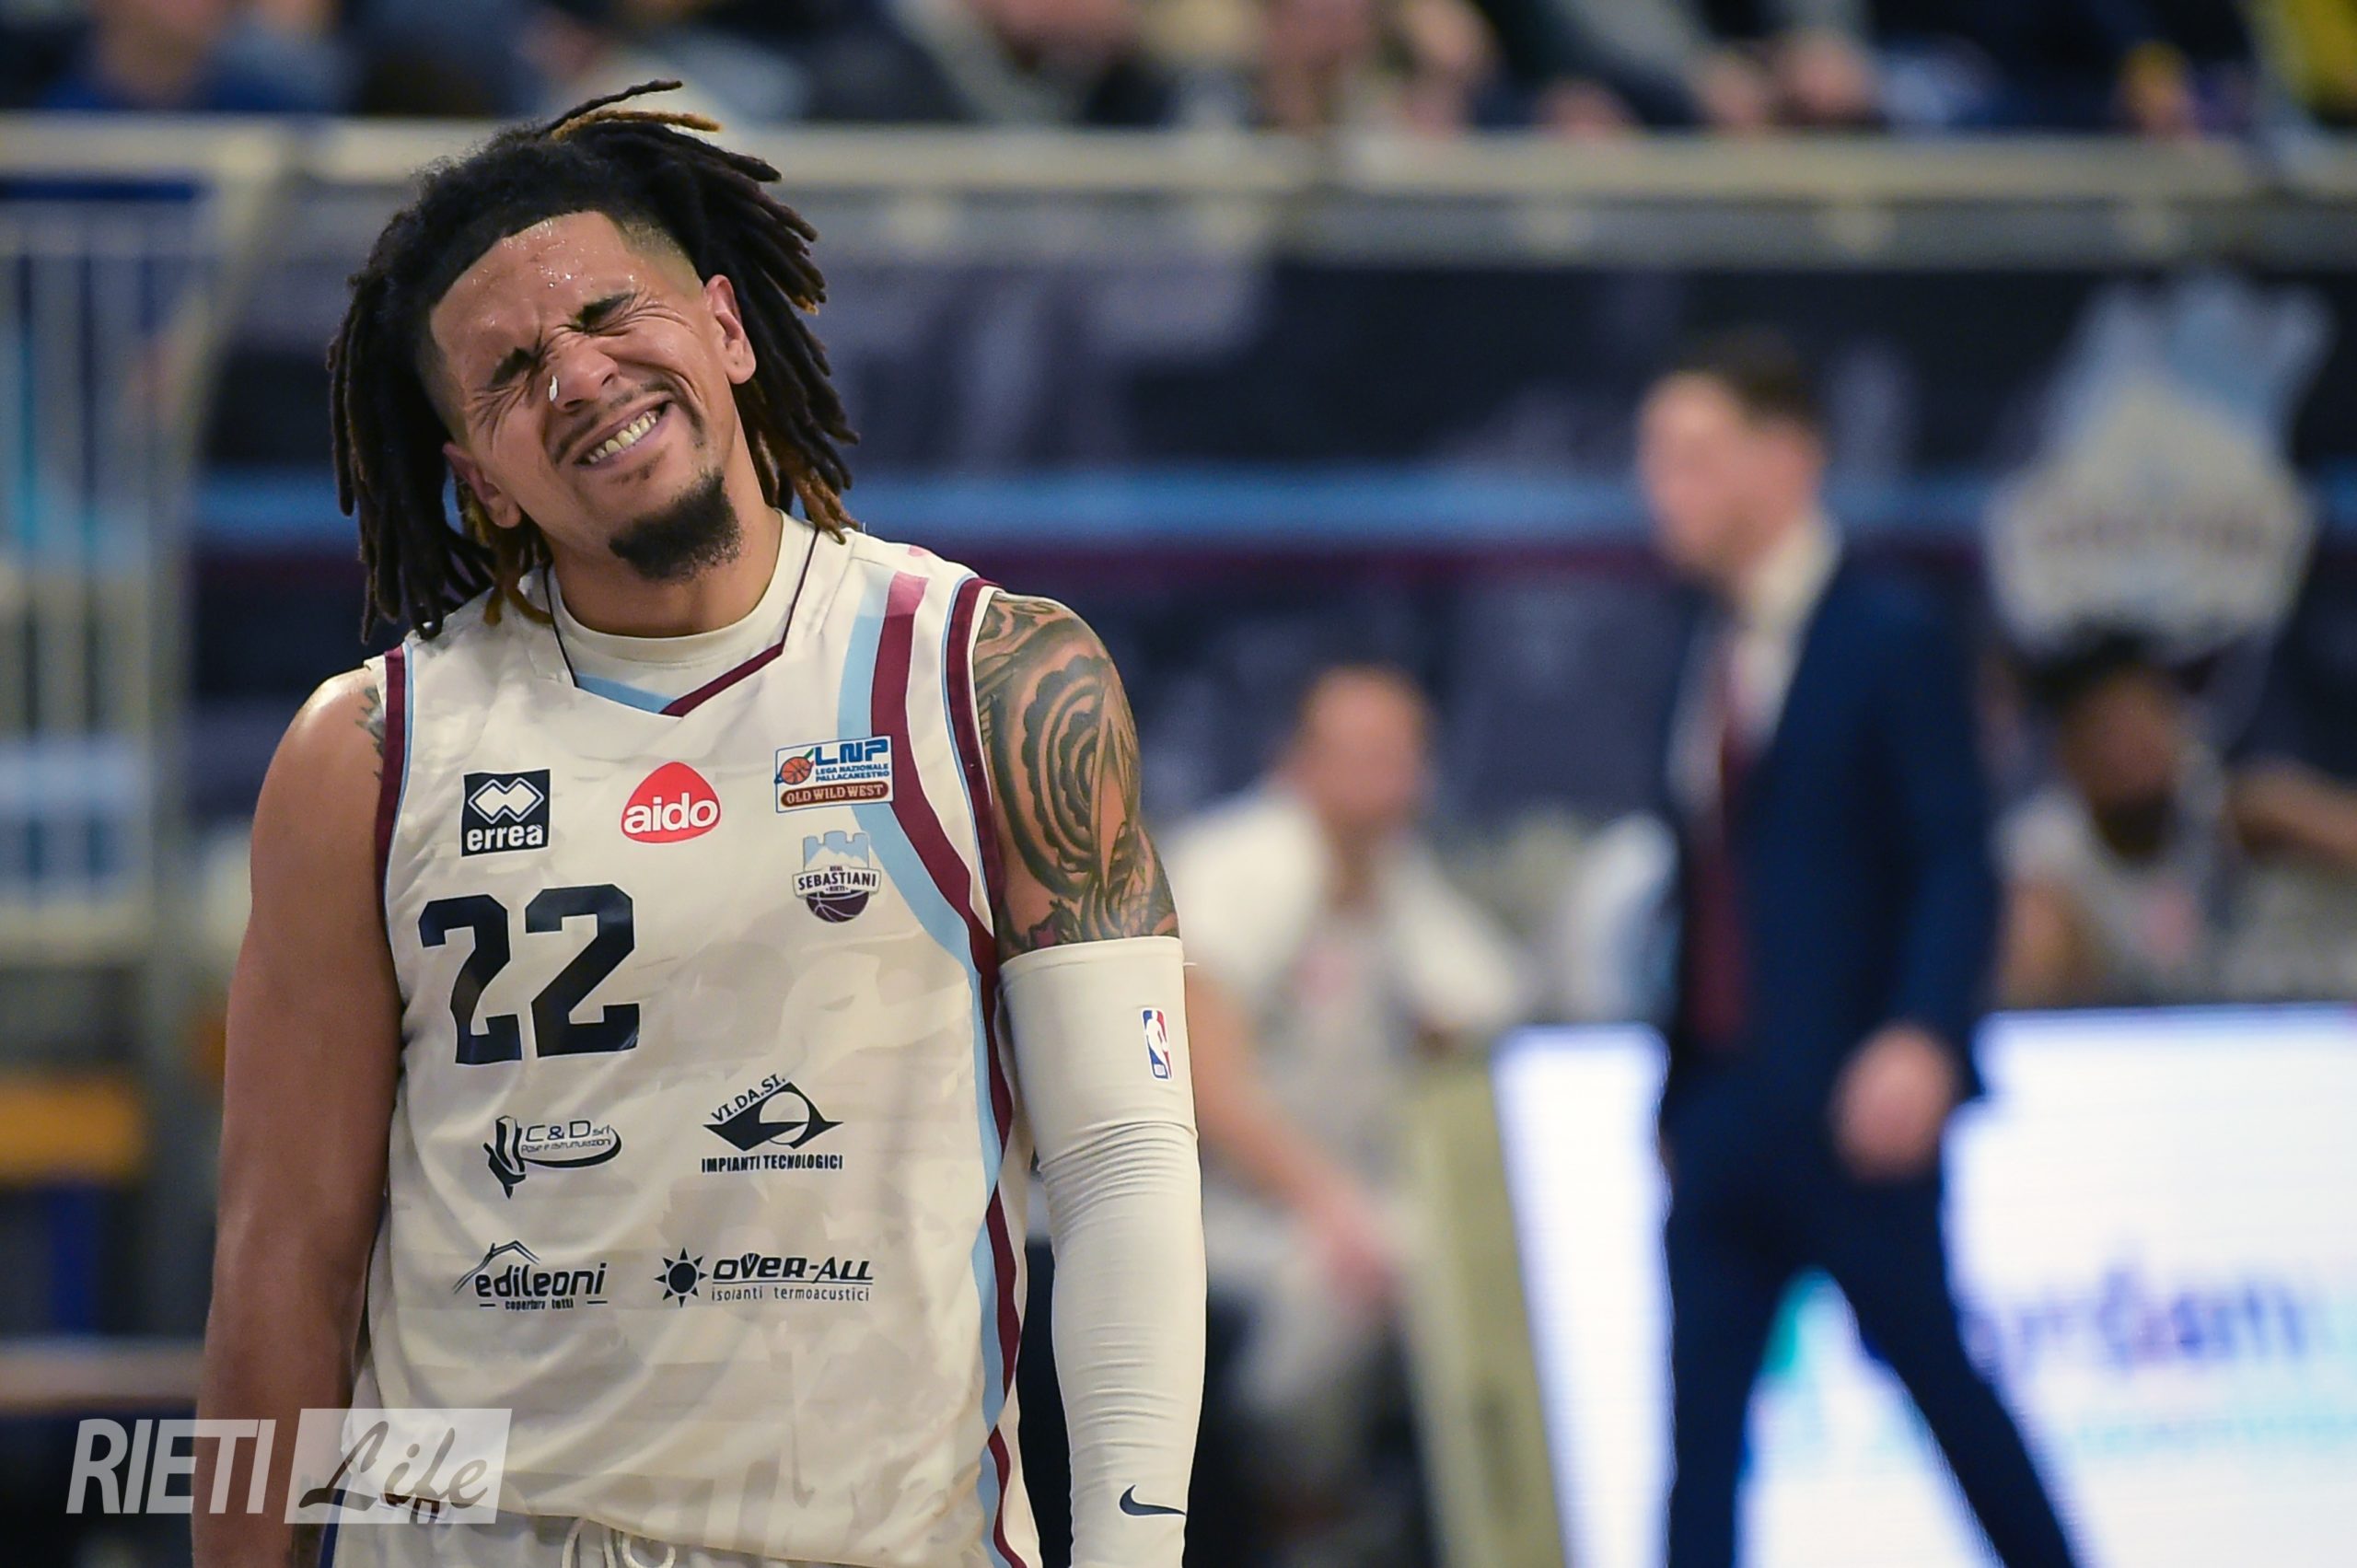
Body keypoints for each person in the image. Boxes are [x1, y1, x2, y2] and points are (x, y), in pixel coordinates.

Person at [194, 84, 1204, 1568]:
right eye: (512, 370)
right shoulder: (366, 751)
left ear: (726, 327)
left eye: (612, 311)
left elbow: (1120, 1165)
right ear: (479, 481)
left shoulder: (990, 673)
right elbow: (283, 1259)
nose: (579, 373)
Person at [1635, 331, 2078, 1568]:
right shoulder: (1702, 647)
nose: (1661, 486)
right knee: (1700, 1442)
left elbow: (1955, 854)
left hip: (1851, 1099)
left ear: (1785, 459)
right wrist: (1679, 1086)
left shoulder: (1888, 634)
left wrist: (1924, 1036)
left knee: (1942, 1384)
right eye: (1656, 458)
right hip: (1722, 1106)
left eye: (1692, 456)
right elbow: (1706, 878)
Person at [1165, 665, 1525, 1568]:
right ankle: (1296, 1515)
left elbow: (1488, 1002)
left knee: (1471, 1259)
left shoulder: (1394, 875)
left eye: (1401, 753)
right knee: (1360, 1269)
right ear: (1298, 758)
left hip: (1347, 1197)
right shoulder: (1236, 867)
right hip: (1213, 1208)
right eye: (1359, 751)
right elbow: (1207, 1083)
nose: (1385, 774)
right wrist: (1331, 1204)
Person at [2002, 631, 2357, 1007]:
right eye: (2107, 729)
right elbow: (2028, 1004)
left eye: (2143, 716)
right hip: (2117, 1033)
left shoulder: (2237, 807)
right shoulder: (2043, 860)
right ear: (2067, 754)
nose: (2131, 748)